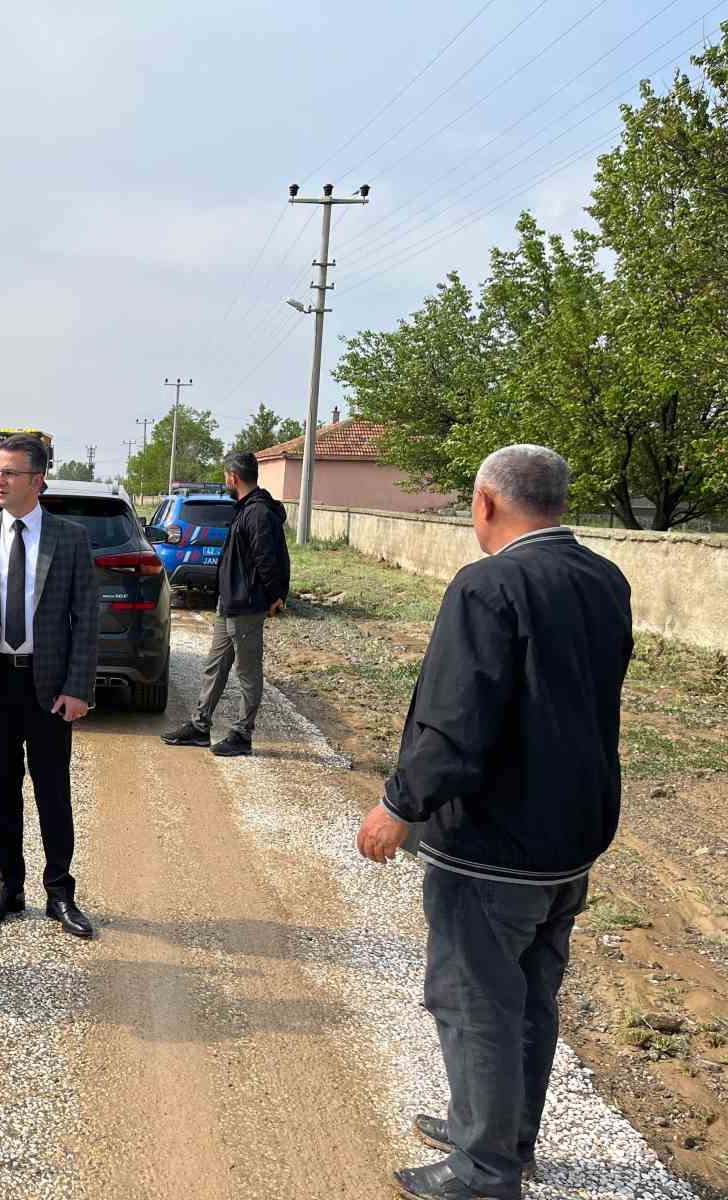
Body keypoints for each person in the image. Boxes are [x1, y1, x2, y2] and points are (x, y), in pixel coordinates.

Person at [356, 445, 633, 1200]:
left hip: (494, 843)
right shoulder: (604, 578)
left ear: (484, 503)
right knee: (530, 993)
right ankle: (504, 1134)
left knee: (474, 999)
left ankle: (484, 1171)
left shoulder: (490, 585)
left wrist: (398, 805)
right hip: (570, 837)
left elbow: (455, 721)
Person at [0, 435, 100, 939]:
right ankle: (9, 889)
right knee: (1, 794)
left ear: (37, 480)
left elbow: (87, 620)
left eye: (10, 473)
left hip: (49, 686)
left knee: (53, 792)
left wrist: (79, 688)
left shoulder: (70, 539)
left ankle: (60, 893)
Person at [161, 449, 289, 757]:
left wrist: (275, 597)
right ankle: (200, 727)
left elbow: (269, 560)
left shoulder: (258, 512)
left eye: (225, 476)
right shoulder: (245, 508)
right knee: (214, 667)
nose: (225, 480)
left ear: (233, 477)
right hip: (228, 604)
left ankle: (242, 735)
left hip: (246, 606)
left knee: (247, 673)